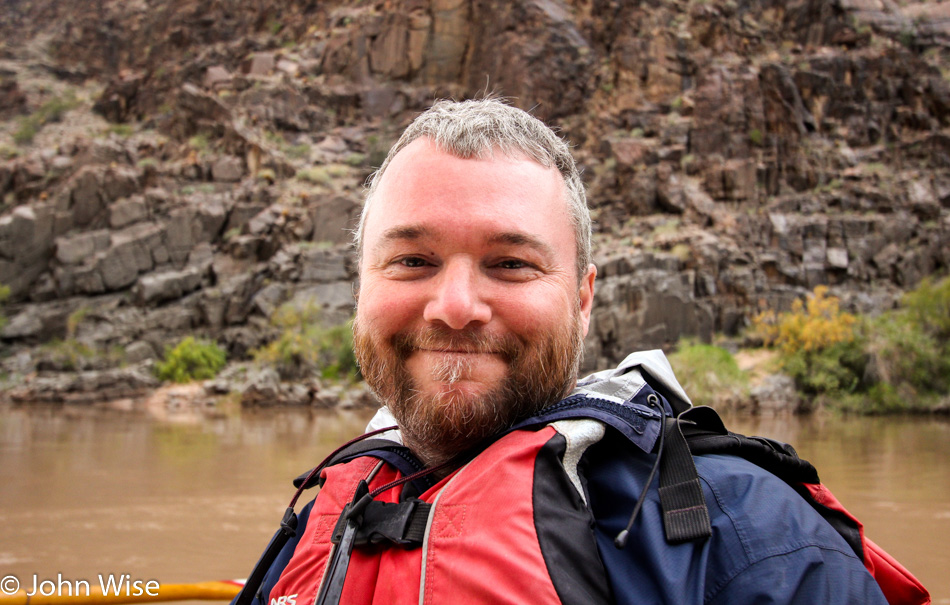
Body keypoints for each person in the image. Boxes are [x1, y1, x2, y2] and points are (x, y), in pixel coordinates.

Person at [238, 99, 892, 604]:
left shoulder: (758, 542)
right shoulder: (315, 527)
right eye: (412, 260)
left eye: (511, 262)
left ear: (583, 299)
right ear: (361, 287)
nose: (457, 305)